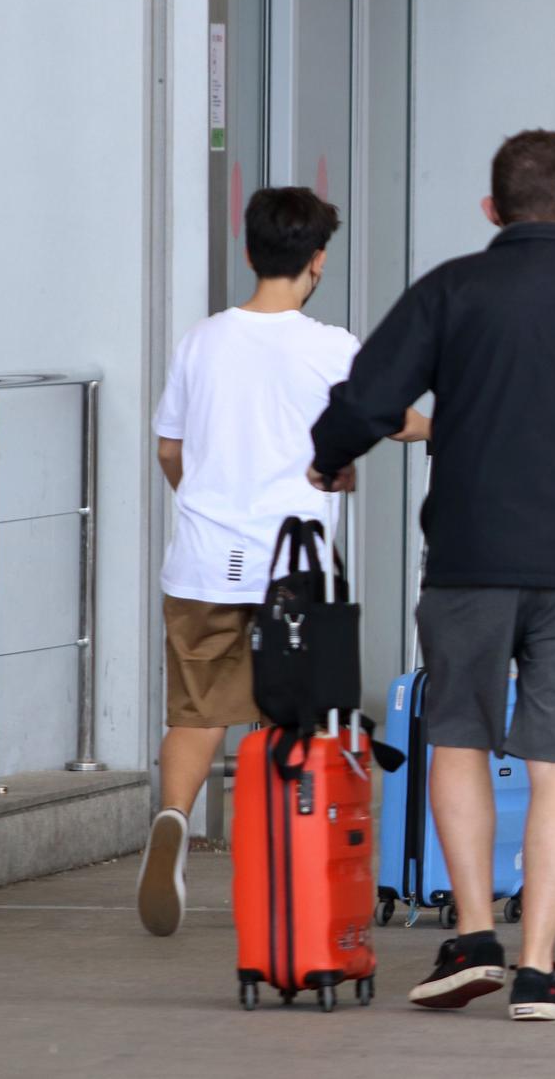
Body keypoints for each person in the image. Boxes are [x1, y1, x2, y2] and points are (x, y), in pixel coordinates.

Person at [309, 130, 555, 1022]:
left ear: (491, 209)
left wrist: (331, 458)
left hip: (469, 561)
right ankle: (538, 968)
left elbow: (368, 396)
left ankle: (473, 933)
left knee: (459, 736)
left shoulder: (455, 289)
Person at [138, 187, 427, 937]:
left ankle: (173, 818)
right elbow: (386, 418)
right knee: (291, 718)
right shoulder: (330, 346)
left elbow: (170, 448)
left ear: (248, 252)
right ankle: (282, 863)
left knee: (198, 710)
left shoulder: (201, 340)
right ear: (318, 261)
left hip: (201, 561)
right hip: (292, 571)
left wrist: (203, 497)